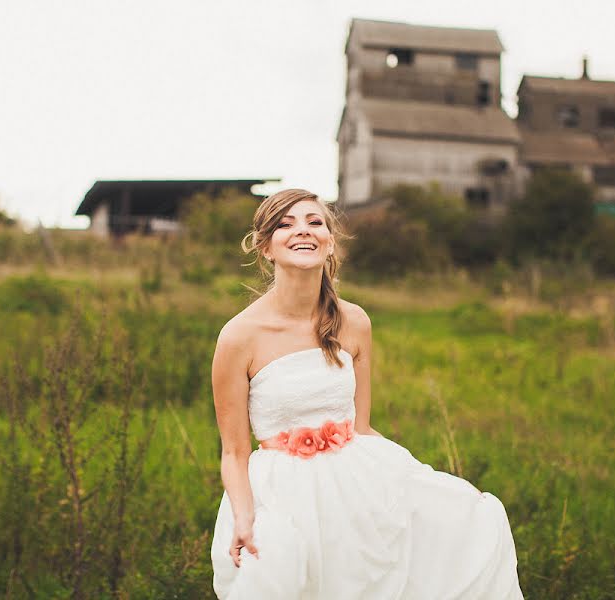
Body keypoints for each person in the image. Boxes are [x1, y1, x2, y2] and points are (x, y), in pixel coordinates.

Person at [209, 188, 524, 599]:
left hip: (354, 490)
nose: (301, 231)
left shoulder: (354, 322)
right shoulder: (238, 337)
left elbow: (362, 428)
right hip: (283, 499)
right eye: (285, 225)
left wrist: (433, 485)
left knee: (449, 535)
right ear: (266, 247)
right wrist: (244, 515)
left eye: (314, 222)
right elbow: (234, 453)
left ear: (330, 242)